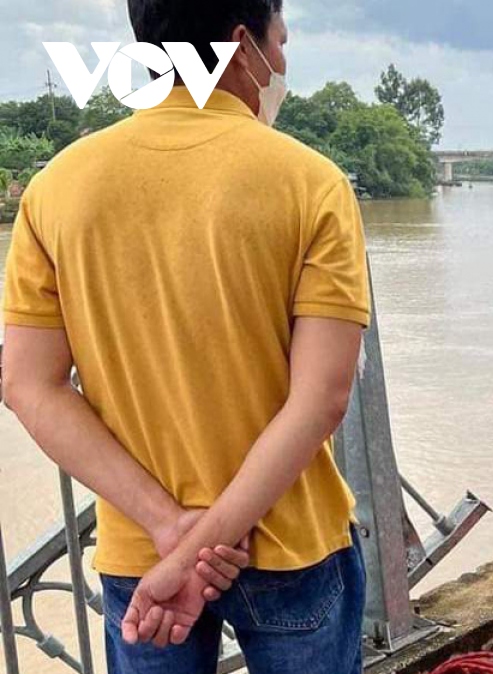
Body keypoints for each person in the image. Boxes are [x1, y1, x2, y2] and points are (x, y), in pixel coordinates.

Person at [2, 1, 371, 672]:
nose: (282, 61)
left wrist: (172, 528)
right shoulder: (311, 184)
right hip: (290, 545)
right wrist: (211, 541)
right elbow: (321, 399)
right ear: (242, 44)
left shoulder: (55, 190)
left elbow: (28, 384)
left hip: (143, 552)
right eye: (280, 42)